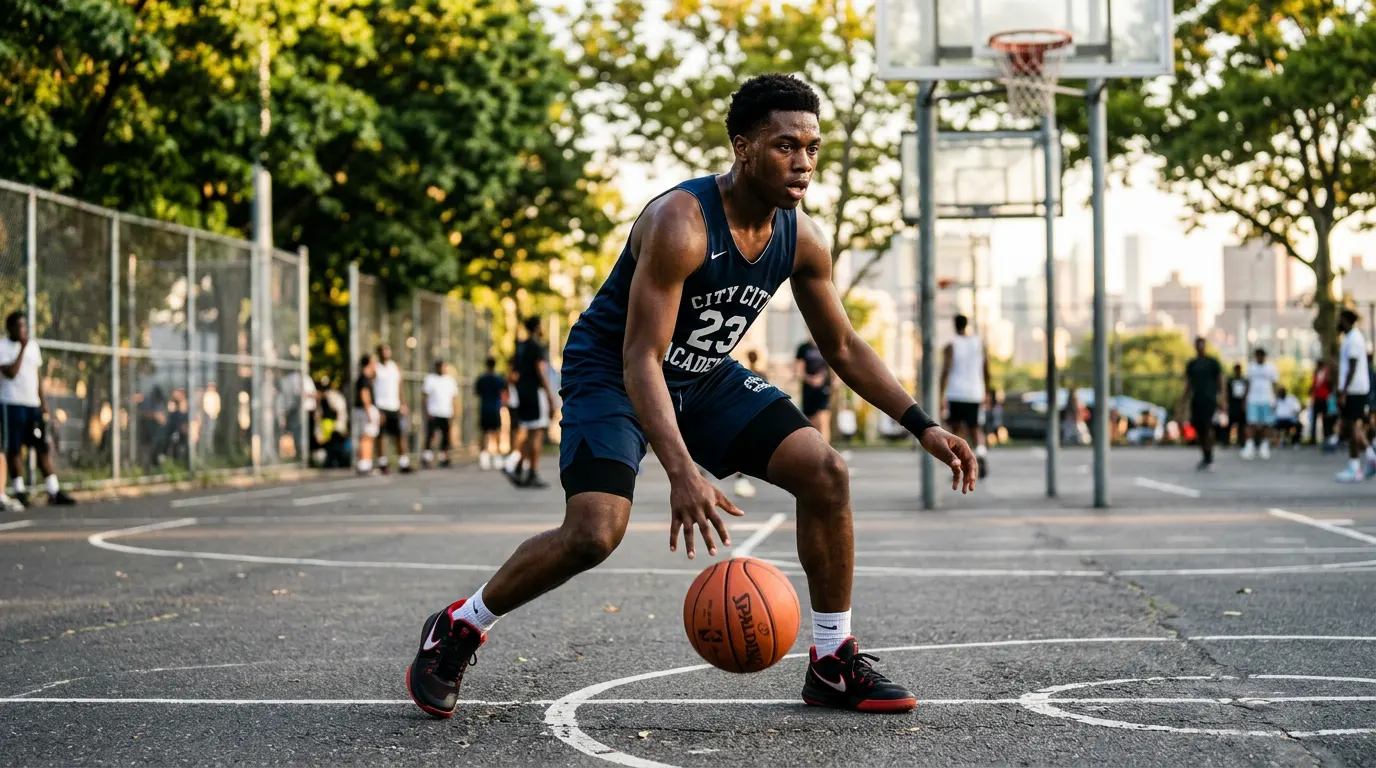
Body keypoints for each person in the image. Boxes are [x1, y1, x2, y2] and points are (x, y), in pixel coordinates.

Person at [404, 74, 977, 720]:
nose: (803, 162)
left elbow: (842, 345)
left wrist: (922, 424)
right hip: (613, 371)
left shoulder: (802, 237)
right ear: (743, 146)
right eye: (786, 145)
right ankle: (461, 624)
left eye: (813, 147)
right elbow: (641, 357)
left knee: (826, 472)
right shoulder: (682, 222)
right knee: (595, 532)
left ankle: (832, 659)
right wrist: (682, 472)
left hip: (703, 374)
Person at [0, 313, 76, 508]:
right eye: (19, 327)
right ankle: (19, 491)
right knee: (14, 449)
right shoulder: (3, 347)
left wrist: (43, 403)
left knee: (42, 447)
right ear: (10, 328)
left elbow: (38, 376)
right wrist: (22, 349)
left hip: (33, 405)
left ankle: (53, 490)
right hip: (12, 404)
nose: (23, 330)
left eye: (25, 326)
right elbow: (10, 373)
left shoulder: (33, 346)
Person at [504, 317, 555, 488]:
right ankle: (532, 472)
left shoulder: (520, 347)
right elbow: (541, 371)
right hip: (535, 392)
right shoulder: (535, 346)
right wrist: (550, 396)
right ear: (537, 327)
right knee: (537, 433)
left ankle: (519, 468)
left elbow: (512, 373)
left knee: (529, 431)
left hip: (523, 393)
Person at [940, 314, 991, 478]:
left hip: (955, 392)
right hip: (975, 392)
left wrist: (940, 394)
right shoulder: (979, 343)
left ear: (954, 325)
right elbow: (986, 368)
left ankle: (960, 464)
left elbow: (945, 370)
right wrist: (987, 391)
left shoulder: (951, 345)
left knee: (956, 432)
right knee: (976, 429)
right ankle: (981, 454)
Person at [1335, 309, 1373, 482]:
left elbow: (1353, 366)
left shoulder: (1354, 339)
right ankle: (1366, 459)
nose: (1338, 323)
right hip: (1355, 389)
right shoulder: (1351, 337)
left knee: (1352, 427)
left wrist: (1343, 391)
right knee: (1354, 426)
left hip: (1355, 389)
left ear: (1345, 320)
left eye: (1339, 319)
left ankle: (1355, 466)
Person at [1181, 337, 1223, 471]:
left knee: (1208, 427)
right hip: (1196, 399)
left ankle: (1210, 455)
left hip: (1209, 399)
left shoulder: (1212, 363)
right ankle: (1205, 455)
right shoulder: (1192, 364)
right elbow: (1188, 384)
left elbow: (1220, 381)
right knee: (1199, 429)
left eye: (1202, 344)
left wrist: (1222, 399)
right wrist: (1183, 400)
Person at [370, 345, 412, 474]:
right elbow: (370, 387)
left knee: (399, 435)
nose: (386, 353)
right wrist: (374, 407)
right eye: (383, 351)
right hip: (381, 406)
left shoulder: (395, 367)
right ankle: (383, 463)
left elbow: (400, 387)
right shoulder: (375, 368)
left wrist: (403, 403)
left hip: (394, 406)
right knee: (381, 436)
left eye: (388, 350)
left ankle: (403, 462)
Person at [733, 349, 768, 498]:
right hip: (754, 412)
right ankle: (742, 473)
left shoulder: (744, 374)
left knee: (742, 446)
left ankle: (741, 472)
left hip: (744, 413)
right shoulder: (759, 374)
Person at [1241, 348, 1278, 460]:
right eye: (1257, 356)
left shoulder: (1271, 368)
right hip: (1253, 399)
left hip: (1267, 399)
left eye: (1261, 355)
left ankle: (1264, 446)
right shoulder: (1251, 367)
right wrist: (1244, 399)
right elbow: (1247, 383)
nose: (1259, 358)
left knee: (1267, 424)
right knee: (1251, 423)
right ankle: (1250, 446)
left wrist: (1274, 399)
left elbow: (1274, 384)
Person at [422, 360, 459, 469]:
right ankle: (426, 457)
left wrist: (454, 411)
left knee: (445, 436)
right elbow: (425, 396)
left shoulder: (450, 380)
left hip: (446, 412)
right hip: (433, 411)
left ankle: (444, 457)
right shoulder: (430, 379)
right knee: (430, 435)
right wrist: (426, 410)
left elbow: (453, 398)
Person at [795, 335, 833, 442]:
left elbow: (832, 367)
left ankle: (826, 452)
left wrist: (832, 382)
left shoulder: (826, 347)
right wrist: (810, 379)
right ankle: (815, 450)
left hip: (824, 388)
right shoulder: (803, 348)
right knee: (811, 423)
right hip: (808, 389)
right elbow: (799, 370)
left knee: (823, 420)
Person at [475, 358, 507, 470]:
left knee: (484, 433)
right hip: (495, 409)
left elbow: (477, 392)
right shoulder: (499, 379)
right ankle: (497, 456)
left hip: (484, 408)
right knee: (497, 432)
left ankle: (484, 456)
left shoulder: (481, 379)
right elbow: (503, 393)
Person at [353, 354, 379, 475]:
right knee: (366, 437)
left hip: (365, 410)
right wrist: (368, 411)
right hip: (364, 410)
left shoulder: (368, 377)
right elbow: (364, 395)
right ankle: (364, 464)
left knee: (368, 436)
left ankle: (367, 463)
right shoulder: (363, 378)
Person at [1225, 363, 1248, 447]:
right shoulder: (1230, 380)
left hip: (1241, 403)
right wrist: (1226, 402)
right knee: (1230, 423)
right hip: (1232, 403)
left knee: (1242, 424)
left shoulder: (1244, 380)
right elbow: (1227, 392)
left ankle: (1241, 441)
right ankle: (1226, 441)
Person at [1310, 361, 1332, 445]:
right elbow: (1313, 386)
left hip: (1324, 398)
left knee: (1325, 418)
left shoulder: (1326, 374)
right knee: (1314, 418)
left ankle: (1326, 436)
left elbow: (1329, 385)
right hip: (1317, 398)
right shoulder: (1316, 374)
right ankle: (1313, 438)